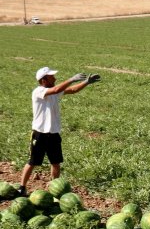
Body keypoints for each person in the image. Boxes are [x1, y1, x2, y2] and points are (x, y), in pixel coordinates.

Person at [19, 67, 101, 196]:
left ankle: (54, 188)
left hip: (54, 133)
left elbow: (72, 90)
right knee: (32, 162)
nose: (55, 78)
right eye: (52, 76)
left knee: (56, 163)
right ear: (44, 80)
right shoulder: (38, 91)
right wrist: (71, 79)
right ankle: (22, 187)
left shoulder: (55, 91)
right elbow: (56, 89)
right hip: (39, 133)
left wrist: (86, 82)